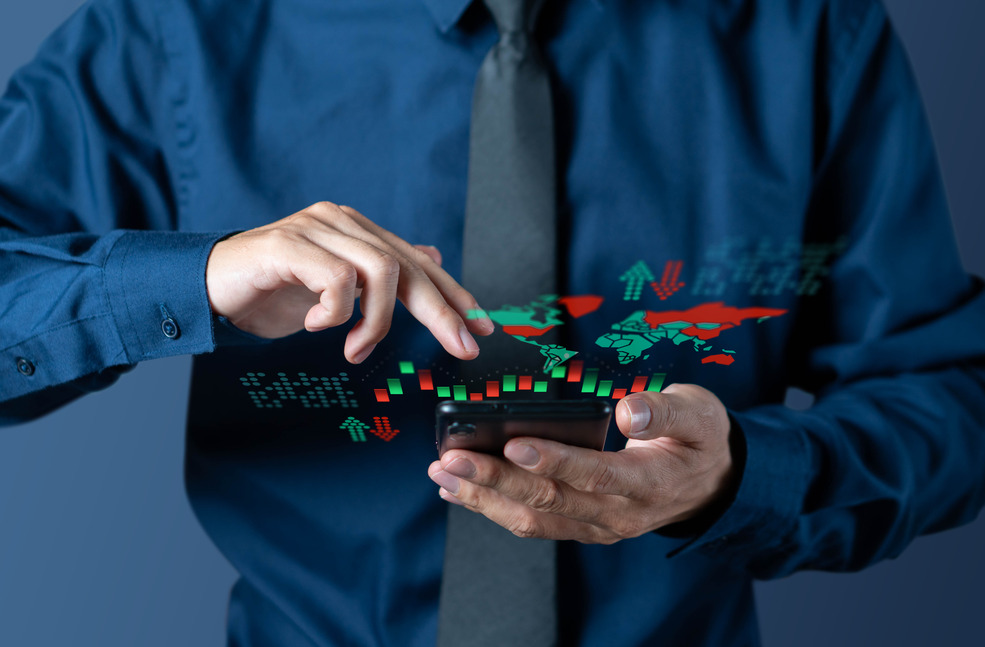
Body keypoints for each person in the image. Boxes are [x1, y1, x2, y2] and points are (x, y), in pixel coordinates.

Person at [1, 0, 983, 645]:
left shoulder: (809, 31)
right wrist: (194, 277)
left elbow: (949, 394)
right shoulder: (176, 29)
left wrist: (735, 475)